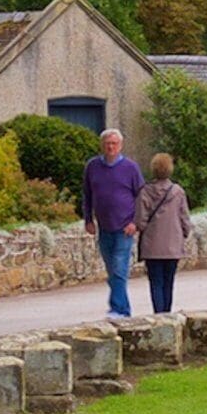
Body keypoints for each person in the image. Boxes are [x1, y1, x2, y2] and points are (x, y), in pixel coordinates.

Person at [80, 128, 145, 318]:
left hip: (124, 228)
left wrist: (136, 222)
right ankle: (124, 309)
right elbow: (87, 194)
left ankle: (117, 309)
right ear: (102, 145)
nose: (111, 147)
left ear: (121, 146)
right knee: (112, 270)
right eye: (108, 143)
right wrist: (88, 219)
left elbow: (142, 197)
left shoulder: (131, 168)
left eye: (114, 144)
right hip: (104, 227)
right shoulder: (92, 166)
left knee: (119, 268)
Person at [134, 152, 191, 315]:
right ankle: (168, 313)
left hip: (152, 246)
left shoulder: (145, 191)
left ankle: (159, 314)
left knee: (156, 282)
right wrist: (185, 233)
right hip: (173, 245)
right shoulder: (178, 191)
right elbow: (184, 217)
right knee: (169, 282)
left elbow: (140, 220)